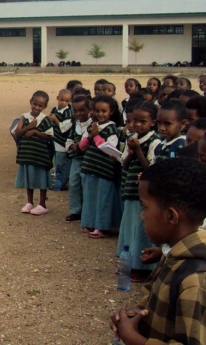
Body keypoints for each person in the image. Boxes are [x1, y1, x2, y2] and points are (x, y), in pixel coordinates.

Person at [110, 158, 206, 345]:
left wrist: (134, 339)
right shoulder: (173, 255)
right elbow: (155, 298)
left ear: (171, 216)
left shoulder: (195, 280)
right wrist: (136, 313)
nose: (142, 215)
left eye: (145, 208)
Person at [118, 102, 161, 282]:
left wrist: (137, 151)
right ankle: (128, 263)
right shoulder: (133, 137)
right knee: (129, 229)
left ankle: (142, 267)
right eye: (134, 120)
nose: (137, 125)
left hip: (143, 194)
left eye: (142, 121)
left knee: (141, 231)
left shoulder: (154, 141)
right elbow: (125, 163)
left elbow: (150, 167)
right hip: (130, 190)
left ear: (152, 122)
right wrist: (130, 151)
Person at [79, 95, 123, 238]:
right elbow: (82, 146)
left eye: (104, 111)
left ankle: (102, 227)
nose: (100, 114)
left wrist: (96, 136)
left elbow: (109, 147)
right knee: (90, 197)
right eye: (97, 111)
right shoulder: (92, 126)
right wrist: (91, 136)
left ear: (111, 112)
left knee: (103, 199)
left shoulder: (111, 128)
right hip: (89, 168)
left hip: (104, 171)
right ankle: (89, 222)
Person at [14, 91, 54, 215]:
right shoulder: (24, 117)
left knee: (41, 179)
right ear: (30, 102)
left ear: (45, 107)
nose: (37, 107)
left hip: (40, 156)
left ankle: (42, 204)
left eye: (40, 106)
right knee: (29, 178)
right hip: (27, 155)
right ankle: (29, 202)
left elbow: (49, 137)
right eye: (35, 104)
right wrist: (30, 127)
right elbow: (17, 133)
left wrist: (36, 132)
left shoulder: (46, 119)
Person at [65, 96, 92, 222]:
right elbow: (68, 140)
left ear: (89, 109)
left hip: (88, 161)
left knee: (86, 186)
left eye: (82, 110)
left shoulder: (92, 125)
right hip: (76, 160)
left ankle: (87, 212)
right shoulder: (74, 124)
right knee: (74, 184)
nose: (78, 114)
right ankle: (75, 210)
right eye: (75, 111)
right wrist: (72, 146)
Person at [49, 89, 73, 191]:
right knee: (56, 164)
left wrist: (55, 120)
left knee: (61, 166)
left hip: (62, 143)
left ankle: (61, 185)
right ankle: (57, 184)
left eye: (66, 101)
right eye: (62, 100)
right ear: (57, 98)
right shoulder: (55, 109)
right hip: (54, 141)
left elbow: (64, 128)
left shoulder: (67, 112)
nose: (63, 103)